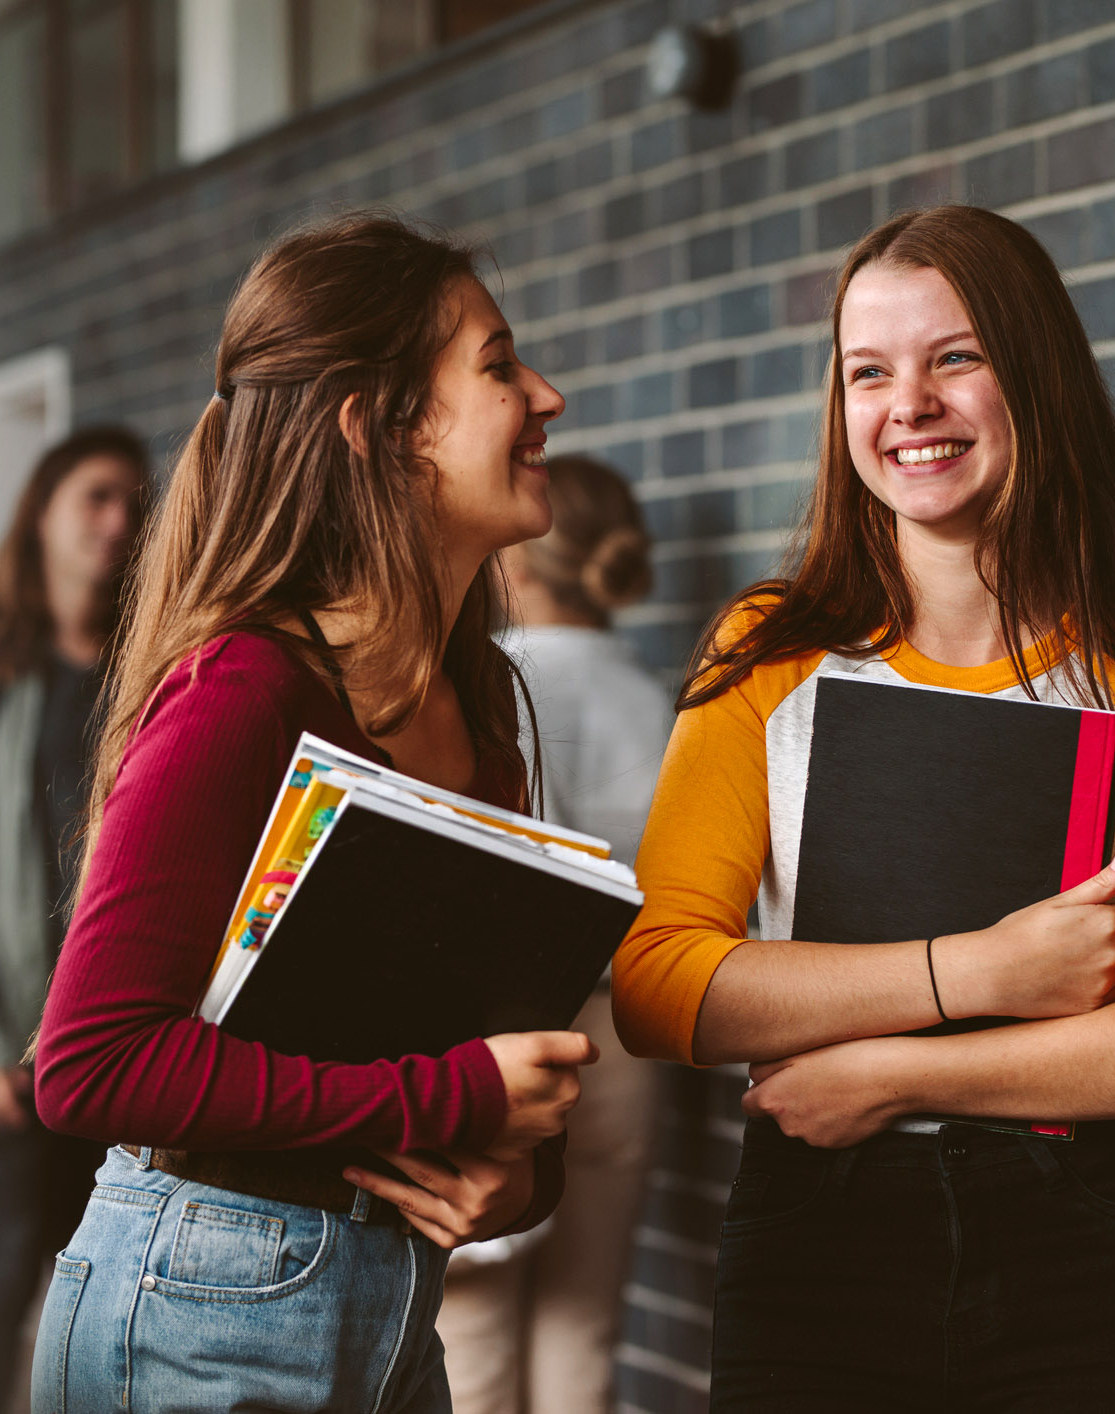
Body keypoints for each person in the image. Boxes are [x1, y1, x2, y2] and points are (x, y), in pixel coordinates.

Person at [612, 205, 1115, 1412]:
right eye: (867, 371)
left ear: (1032, 377)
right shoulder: (769, 652)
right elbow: (661, 984)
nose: (907, 405)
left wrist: (893, 1072)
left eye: (955, 357)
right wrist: (976, 971)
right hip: (816, 1240)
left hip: (1084, 1234)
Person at [29, 213, 597, 1414]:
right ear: (378, 429)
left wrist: (517, 1180)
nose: (543, 394)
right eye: (497, 366)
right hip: (196, 1305)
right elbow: (88, 1063)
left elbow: (446, 1044)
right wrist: (458, 1099)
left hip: (387, 1306)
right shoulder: (245, 689)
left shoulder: (480, 709)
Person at [0, 425, 150, 1414]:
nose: (118, 520)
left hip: (121, 1049)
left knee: (102, 1306)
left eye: (134, 501)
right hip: (10, 1053)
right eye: (95, 496)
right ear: (40, 511)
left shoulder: (150, 668)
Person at [438, 456, 671, 1414]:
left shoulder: (496, 686)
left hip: (526, 1040)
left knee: (475, 1333)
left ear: (519, 563)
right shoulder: (660, 698)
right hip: (635, 1037)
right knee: (585, 1324)